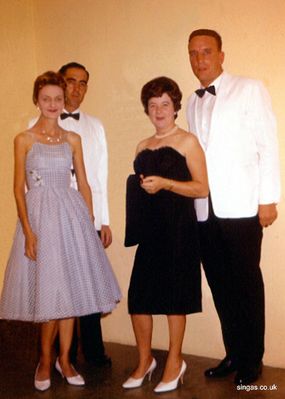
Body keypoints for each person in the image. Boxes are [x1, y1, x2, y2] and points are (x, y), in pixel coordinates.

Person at [0, 71, 121, 391]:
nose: (53, 104)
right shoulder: (24, 139)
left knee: (71, 293)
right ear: (37, 101)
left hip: (72, 218)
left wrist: (90, 225)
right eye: (46, 99)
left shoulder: (73, 139)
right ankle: (44, 359)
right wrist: (28, 232)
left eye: (57, 98)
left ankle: (65, 360)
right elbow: (17, 189)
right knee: (50, 291)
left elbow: (84, 183)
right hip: (41, 219)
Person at [186, 29, 280, 385]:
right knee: (220, 286)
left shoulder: (249, 88)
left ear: (221, 55)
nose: (200, 59)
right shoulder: (193, 102)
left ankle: (253, 360)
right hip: (205, 210)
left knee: (246, 285)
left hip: (242, 208)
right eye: (193, 53)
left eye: (206, 52)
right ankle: (234, 353)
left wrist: (267, 199)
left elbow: (267, 145)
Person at [123, 77, 208, 393]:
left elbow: (202, 188)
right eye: (153, 105)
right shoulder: (142, 146)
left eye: (165, 104)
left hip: (179, 230)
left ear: (175, 108)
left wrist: (166, 184)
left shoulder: (188, 142)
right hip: (150, 231)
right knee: (139, 300)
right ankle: (145, 361)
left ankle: (175, 360)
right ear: (147, 109)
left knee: (175, 298)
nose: (158, 110)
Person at [30, 62, 112, 367]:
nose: (76, 88)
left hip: (84, 216)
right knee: (57, 286)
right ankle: (58, 357)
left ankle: (93, 353)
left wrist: (103, 220)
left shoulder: (95, 126)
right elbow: (29, 184)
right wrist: (34, 226)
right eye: (70, 81)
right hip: (50, 217)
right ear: (59, 84)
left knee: (86, 283)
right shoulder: (34, 125)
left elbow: (99, 177)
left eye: (82, 83)